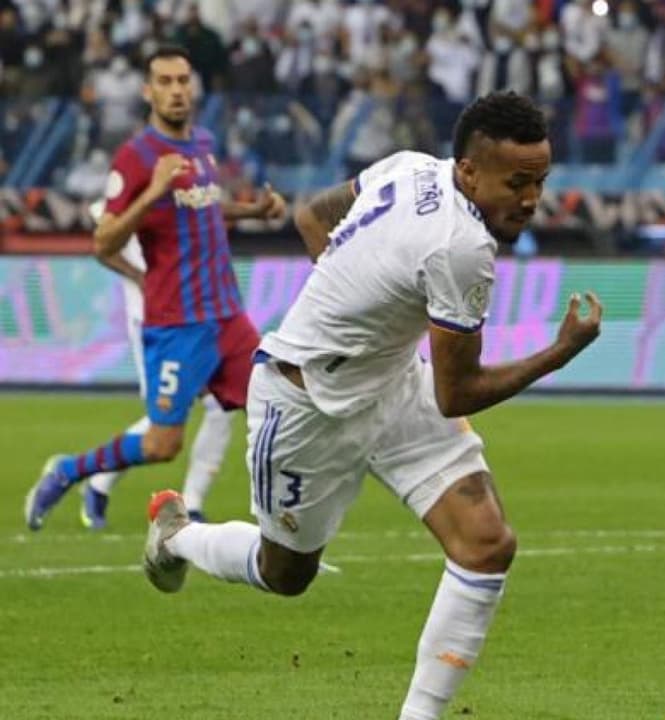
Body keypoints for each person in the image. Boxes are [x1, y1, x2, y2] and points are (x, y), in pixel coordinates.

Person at [140, 91, 603, 720]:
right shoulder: (461, 247)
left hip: (392, 382)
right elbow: (458, 394)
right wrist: (560, 351)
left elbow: (311, 216)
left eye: (540, 181)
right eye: (516, 182)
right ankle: (178, 536)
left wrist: (360, 306)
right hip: (307, 406)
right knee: (286, 575)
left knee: (486, 543)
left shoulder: (410, 165)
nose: (530, 199)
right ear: (469, 171)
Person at [24, 45, 285, 531]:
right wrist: (152, 193)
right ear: (148, 91)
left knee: (279, 407)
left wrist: (252, 211)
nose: (176, 90)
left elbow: (205, 204)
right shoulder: (136, 158)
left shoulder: (202, 143)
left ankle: (283, 531)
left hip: (227, 315)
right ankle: (69, 471)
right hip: (178, 322)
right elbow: (104, 241)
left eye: (183, 80)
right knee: (162, 445)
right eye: (165, 82)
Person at [80, 199, 235, 528]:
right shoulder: (134, 185)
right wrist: (140, 276)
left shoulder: (187, 187)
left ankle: (193, 505)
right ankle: (97, 482)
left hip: (195, 314)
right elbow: (103, 240)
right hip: (153, 320)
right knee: (163, 419)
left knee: (221, 404)